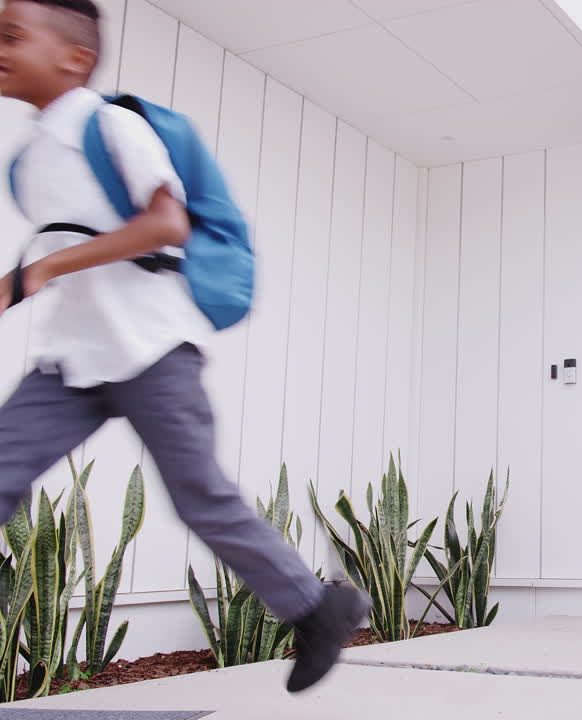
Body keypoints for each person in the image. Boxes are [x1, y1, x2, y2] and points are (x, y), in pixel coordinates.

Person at [0, 0, 367, 692]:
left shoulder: (111, 125)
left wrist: (41, 270)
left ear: (74, 57)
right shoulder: (29, 159)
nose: (0, 46)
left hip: (153, 346)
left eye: (12, 35)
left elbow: (165, 224)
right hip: (71, 358)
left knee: (199, 495)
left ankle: (320, 607)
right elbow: (66, 244)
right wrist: (23, 280)